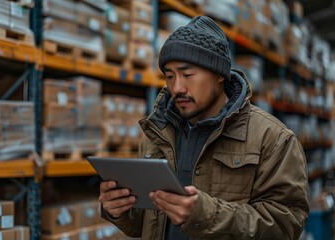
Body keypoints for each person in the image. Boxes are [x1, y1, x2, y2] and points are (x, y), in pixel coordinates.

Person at [99, 15, 309, 239]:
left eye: (188, 74)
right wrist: (119, 210)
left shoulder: (274, 139)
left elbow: (286, 225)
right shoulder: (157, 135)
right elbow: (146, 223)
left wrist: (206, 215)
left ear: (219, 74)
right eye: (169, 76)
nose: (177, 87)